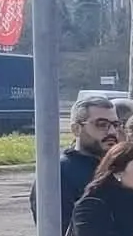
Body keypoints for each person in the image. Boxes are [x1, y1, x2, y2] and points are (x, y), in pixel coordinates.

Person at [34, 95, 121, 225]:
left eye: (116, 124)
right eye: (102, 125)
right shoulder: (58, 173)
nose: (112, 132)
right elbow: (56, 231)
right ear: (76, 129)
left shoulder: (122, 166)